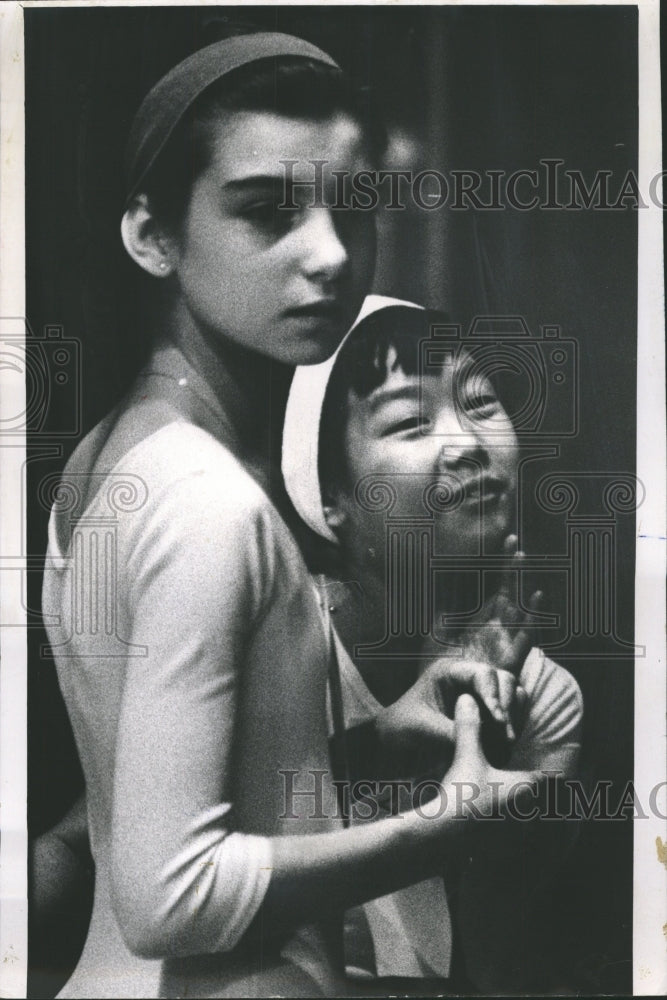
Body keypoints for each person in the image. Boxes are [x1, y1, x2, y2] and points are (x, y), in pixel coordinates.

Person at [40, 33, 543, 1000]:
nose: (329, 253)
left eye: (353, 209)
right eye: (268, 210)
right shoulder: (209, 504)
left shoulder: (112, 457)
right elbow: (166, 898)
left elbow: (153, 793)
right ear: (151, 235)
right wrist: (440, 825)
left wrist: (373, 742)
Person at [282, 295, 584, 993]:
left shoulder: (544, 696)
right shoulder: (273, 646)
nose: (467, 443)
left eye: (480, 405)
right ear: (332, 494)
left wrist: (487, 746)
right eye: (412, 422)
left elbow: (494, 965)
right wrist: (379, 746)